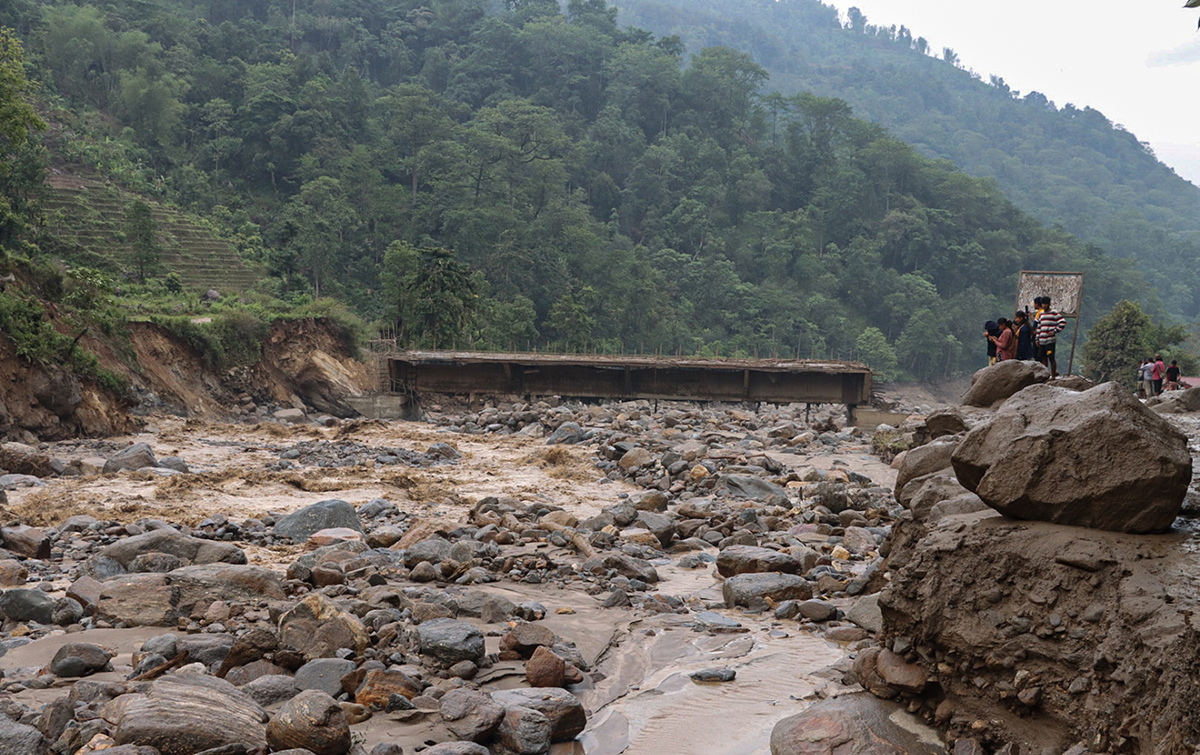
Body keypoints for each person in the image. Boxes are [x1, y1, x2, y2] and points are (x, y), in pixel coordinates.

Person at [1034, 296, 1066, 378]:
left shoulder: (1054, 313)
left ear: (1049, 304)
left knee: (1051, 357)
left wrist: (1054, 331)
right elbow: (1039, 327)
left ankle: (1053, 375)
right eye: (1043, 304)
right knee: (1043, 358)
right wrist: (1037, 338)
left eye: (1046, 304)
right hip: (1042, 340)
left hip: (1050, 341)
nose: (1044, 306)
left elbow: (1062, 322)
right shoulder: (1041, 314)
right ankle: (1045, 375)